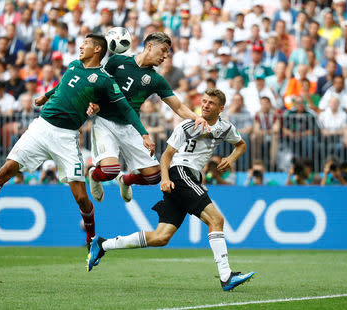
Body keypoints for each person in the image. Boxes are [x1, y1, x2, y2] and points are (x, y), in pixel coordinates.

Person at [0, 34, 154, 247]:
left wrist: (143, 133)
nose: (81, 46)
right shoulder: (74, 65)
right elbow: (63, 86)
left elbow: (124, 108)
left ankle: (92, 240)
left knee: (81, 197)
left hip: (66, 138)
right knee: (6, 169)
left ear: (97, 50)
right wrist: (46, 96)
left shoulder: (104, 80)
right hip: (41, 128)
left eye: (86, 44)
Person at [87, 88, 254, 292]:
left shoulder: (225, 128)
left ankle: (102, 245)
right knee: (216, 220)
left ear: (221, 108)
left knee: (161, 237)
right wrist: (164, 179)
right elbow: (166, 155)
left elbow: (241, 144)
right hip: (179, 174)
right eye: (203, 101)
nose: (205, 105)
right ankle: (226, 276)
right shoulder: (187, 125)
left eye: (210, 103)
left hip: (190, 178)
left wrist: (230, 159)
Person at [88, 32, 208, 204]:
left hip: (131, 127)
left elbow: (179, 107)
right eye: (164, 50)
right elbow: (97, 86)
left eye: (168, 52)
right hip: (105, 123)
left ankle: (125, 181)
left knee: (154, 176)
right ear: (150, 46)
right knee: (110, 170)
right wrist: (94, 103)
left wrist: (197, 117)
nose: (166, 56)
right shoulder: (117, 61)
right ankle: (94, 175)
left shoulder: (156, 79)